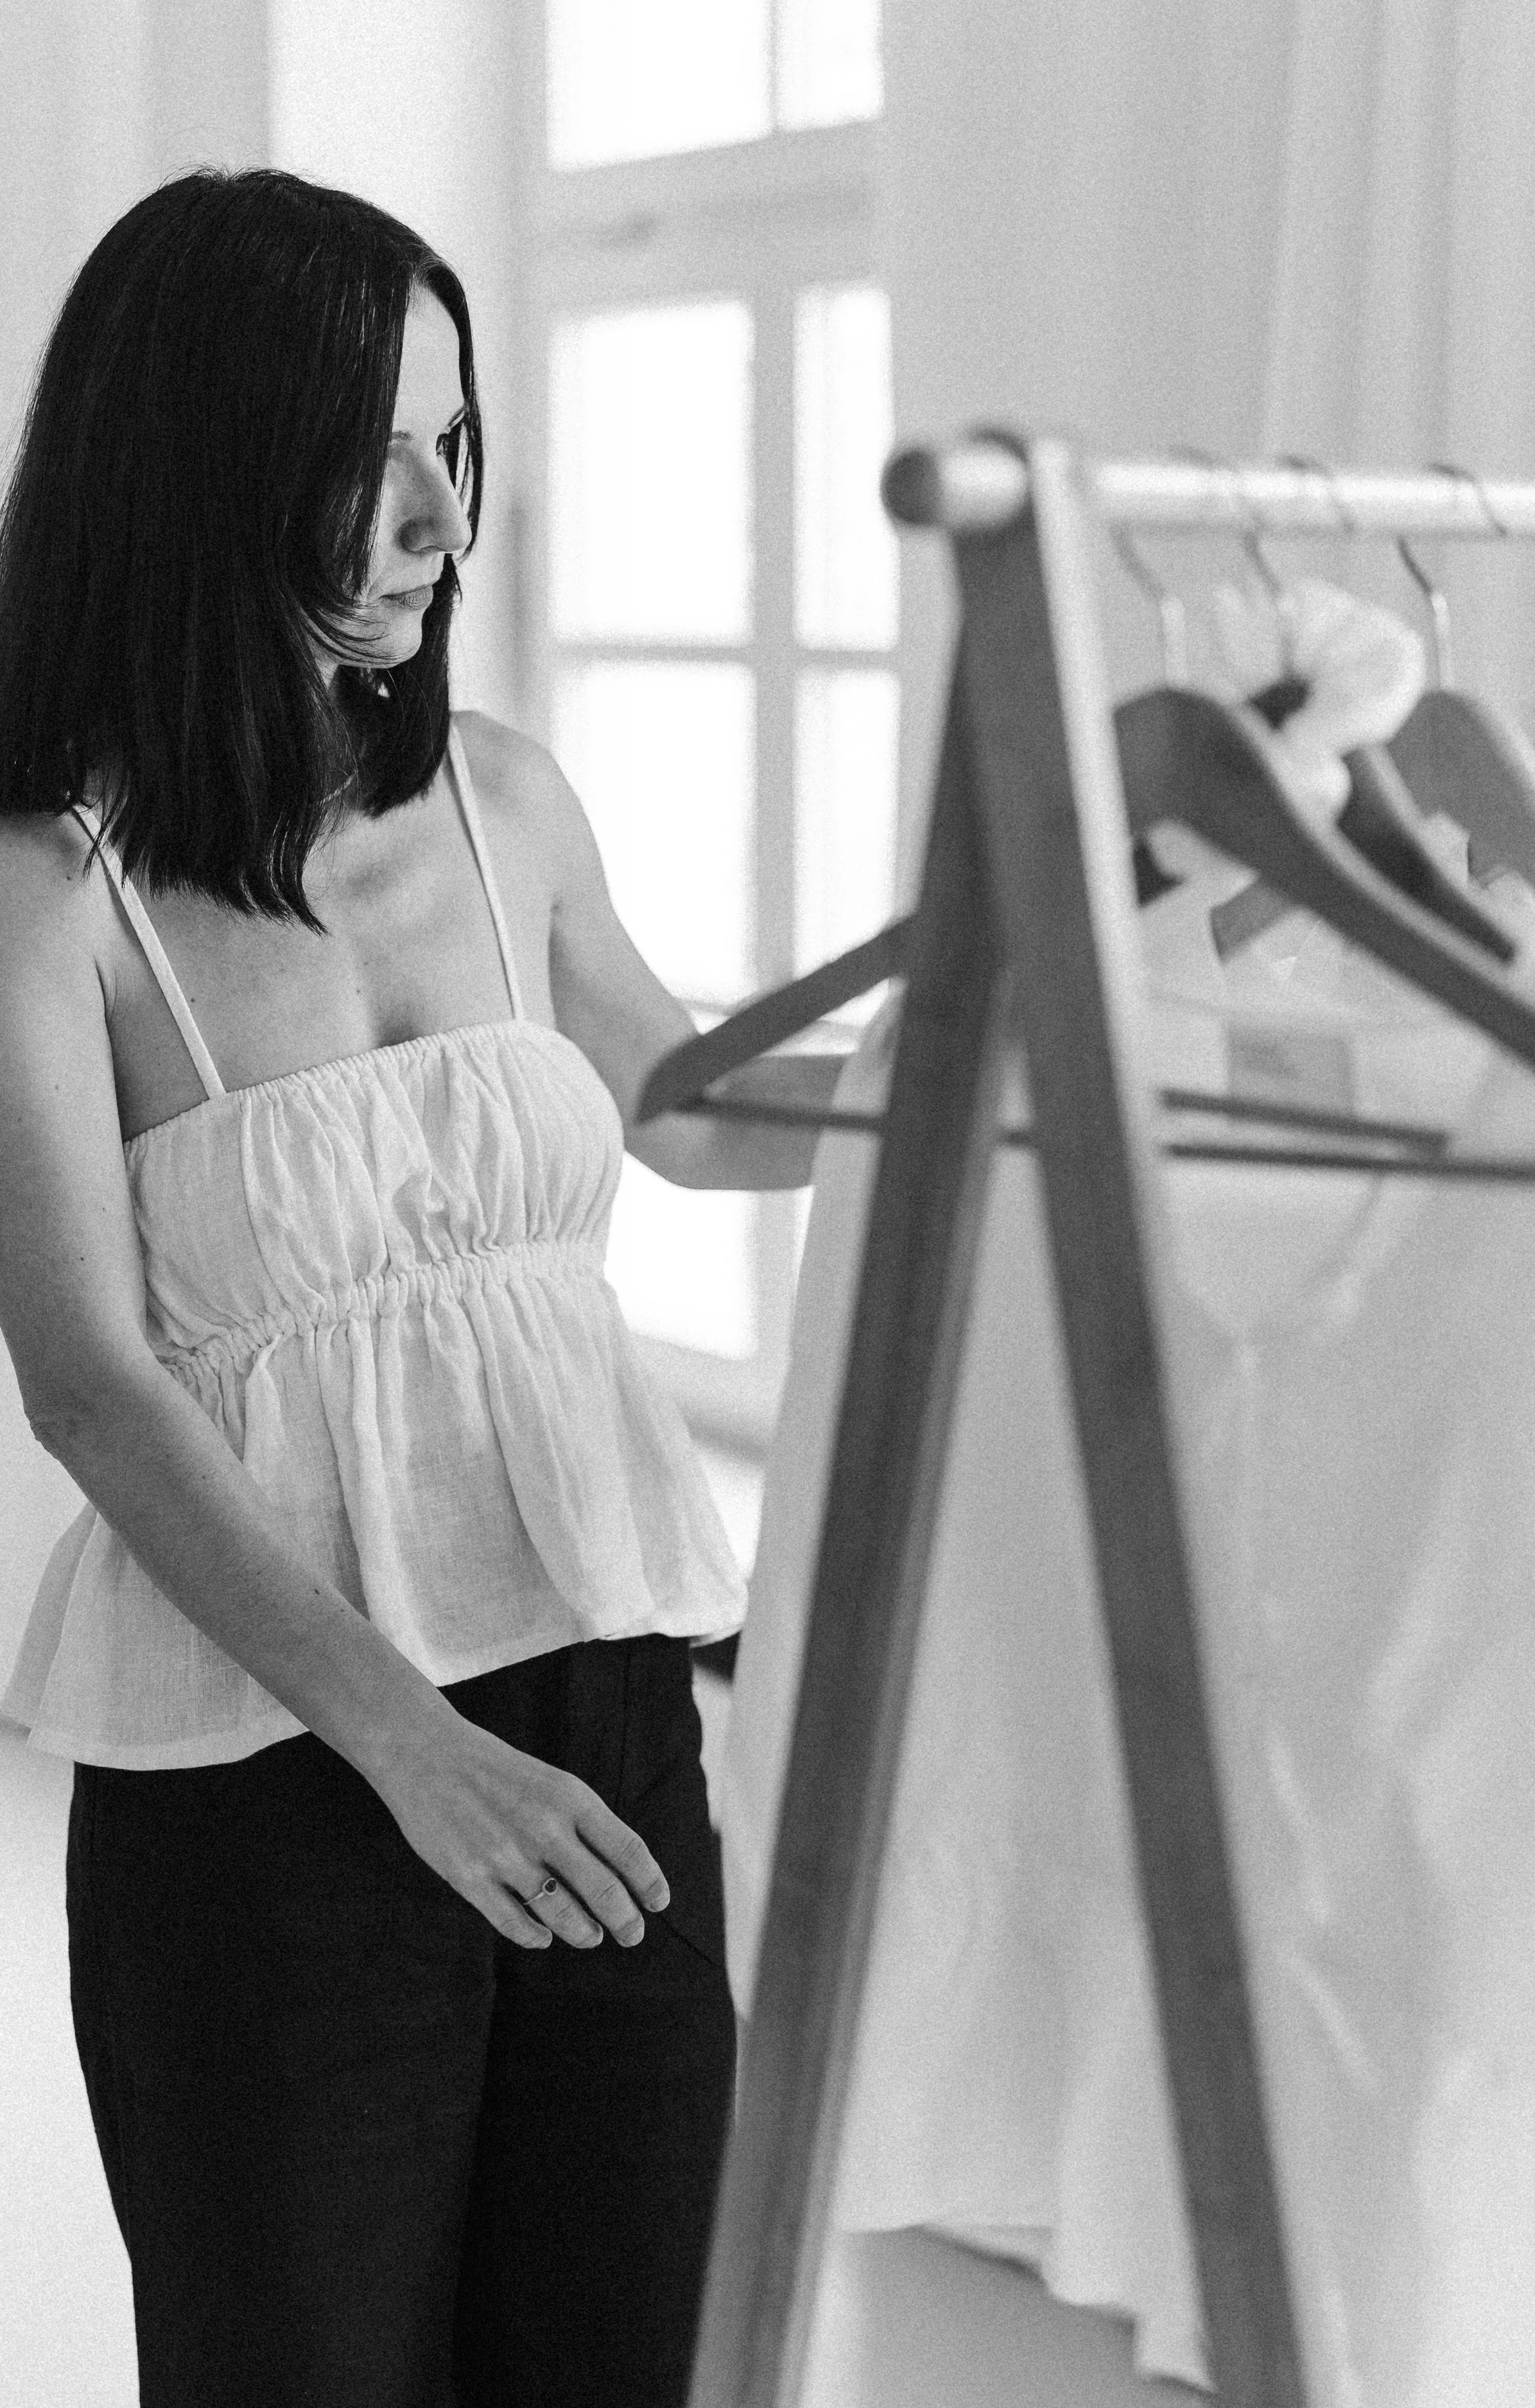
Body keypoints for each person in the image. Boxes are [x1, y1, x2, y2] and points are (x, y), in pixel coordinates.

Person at [0, 168, 819, 2408]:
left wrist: (1037, 958)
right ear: (194, 459)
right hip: (275, 1766)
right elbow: (84, 1379)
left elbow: (715, 1109)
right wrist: (404, 1745)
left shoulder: (509, 805)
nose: (438, 518)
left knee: (626, 2362)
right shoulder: (44, 894)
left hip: (604, 1712)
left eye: (458, 444)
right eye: (369, 454)